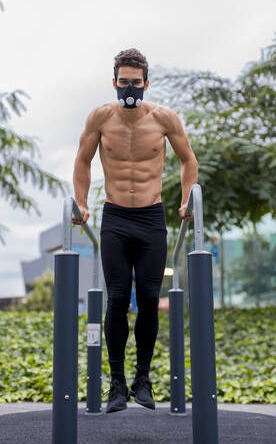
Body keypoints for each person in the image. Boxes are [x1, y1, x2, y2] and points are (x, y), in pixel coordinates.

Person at [72, 48, 198, 413]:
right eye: (124, 81)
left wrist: (188, 197)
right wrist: (81, 202)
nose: (130, 87)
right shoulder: (100, 117)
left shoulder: (164, 119)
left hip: (151, 218)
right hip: (115, 218)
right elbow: (82, 160)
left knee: (146, 298)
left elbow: (188, 160)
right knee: (116, 298)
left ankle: (143, 380)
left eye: (136, 82)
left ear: (146, 83)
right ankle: (117, 383)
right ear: (114, 82)